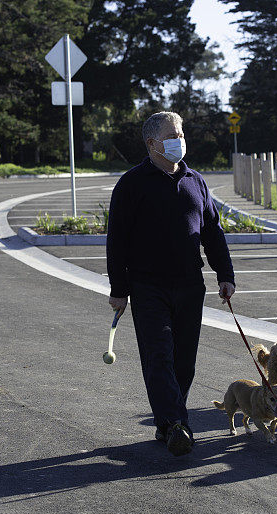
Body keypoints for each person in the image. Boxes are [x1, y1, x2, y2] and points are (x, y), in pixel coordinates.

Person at [106, 111, 236, 456]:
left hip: (191, 285)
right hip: (148, 286)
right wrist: (119, 289)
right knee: (159, 356)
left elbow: (212, 231)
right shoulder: (132, 184)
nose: (181, 141)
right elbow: (116, 240)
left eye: (181, 134)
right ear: (152, 143)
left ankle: (167, 425)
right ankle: (178, 424)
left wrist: (225, 275)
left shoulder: (195, 180)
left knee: (184, 361)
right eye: (173, 136)